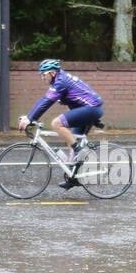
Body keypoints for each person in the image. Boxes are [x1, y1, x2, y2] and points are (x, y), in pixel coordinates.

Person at [18, 59, 105, 189]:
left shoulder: (61, 82)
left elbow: (46, 101)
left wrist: (30, 119)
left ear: (52, 73)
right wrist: (29, 116)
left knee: (56, 123)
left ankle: (80, 150)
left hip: (92, 109)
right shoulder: (59, 80)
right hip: (90, 110)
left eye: (44, 74)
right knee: (72, 143)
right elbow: (44, 99)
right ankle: (74, 178)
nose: (42, 77)